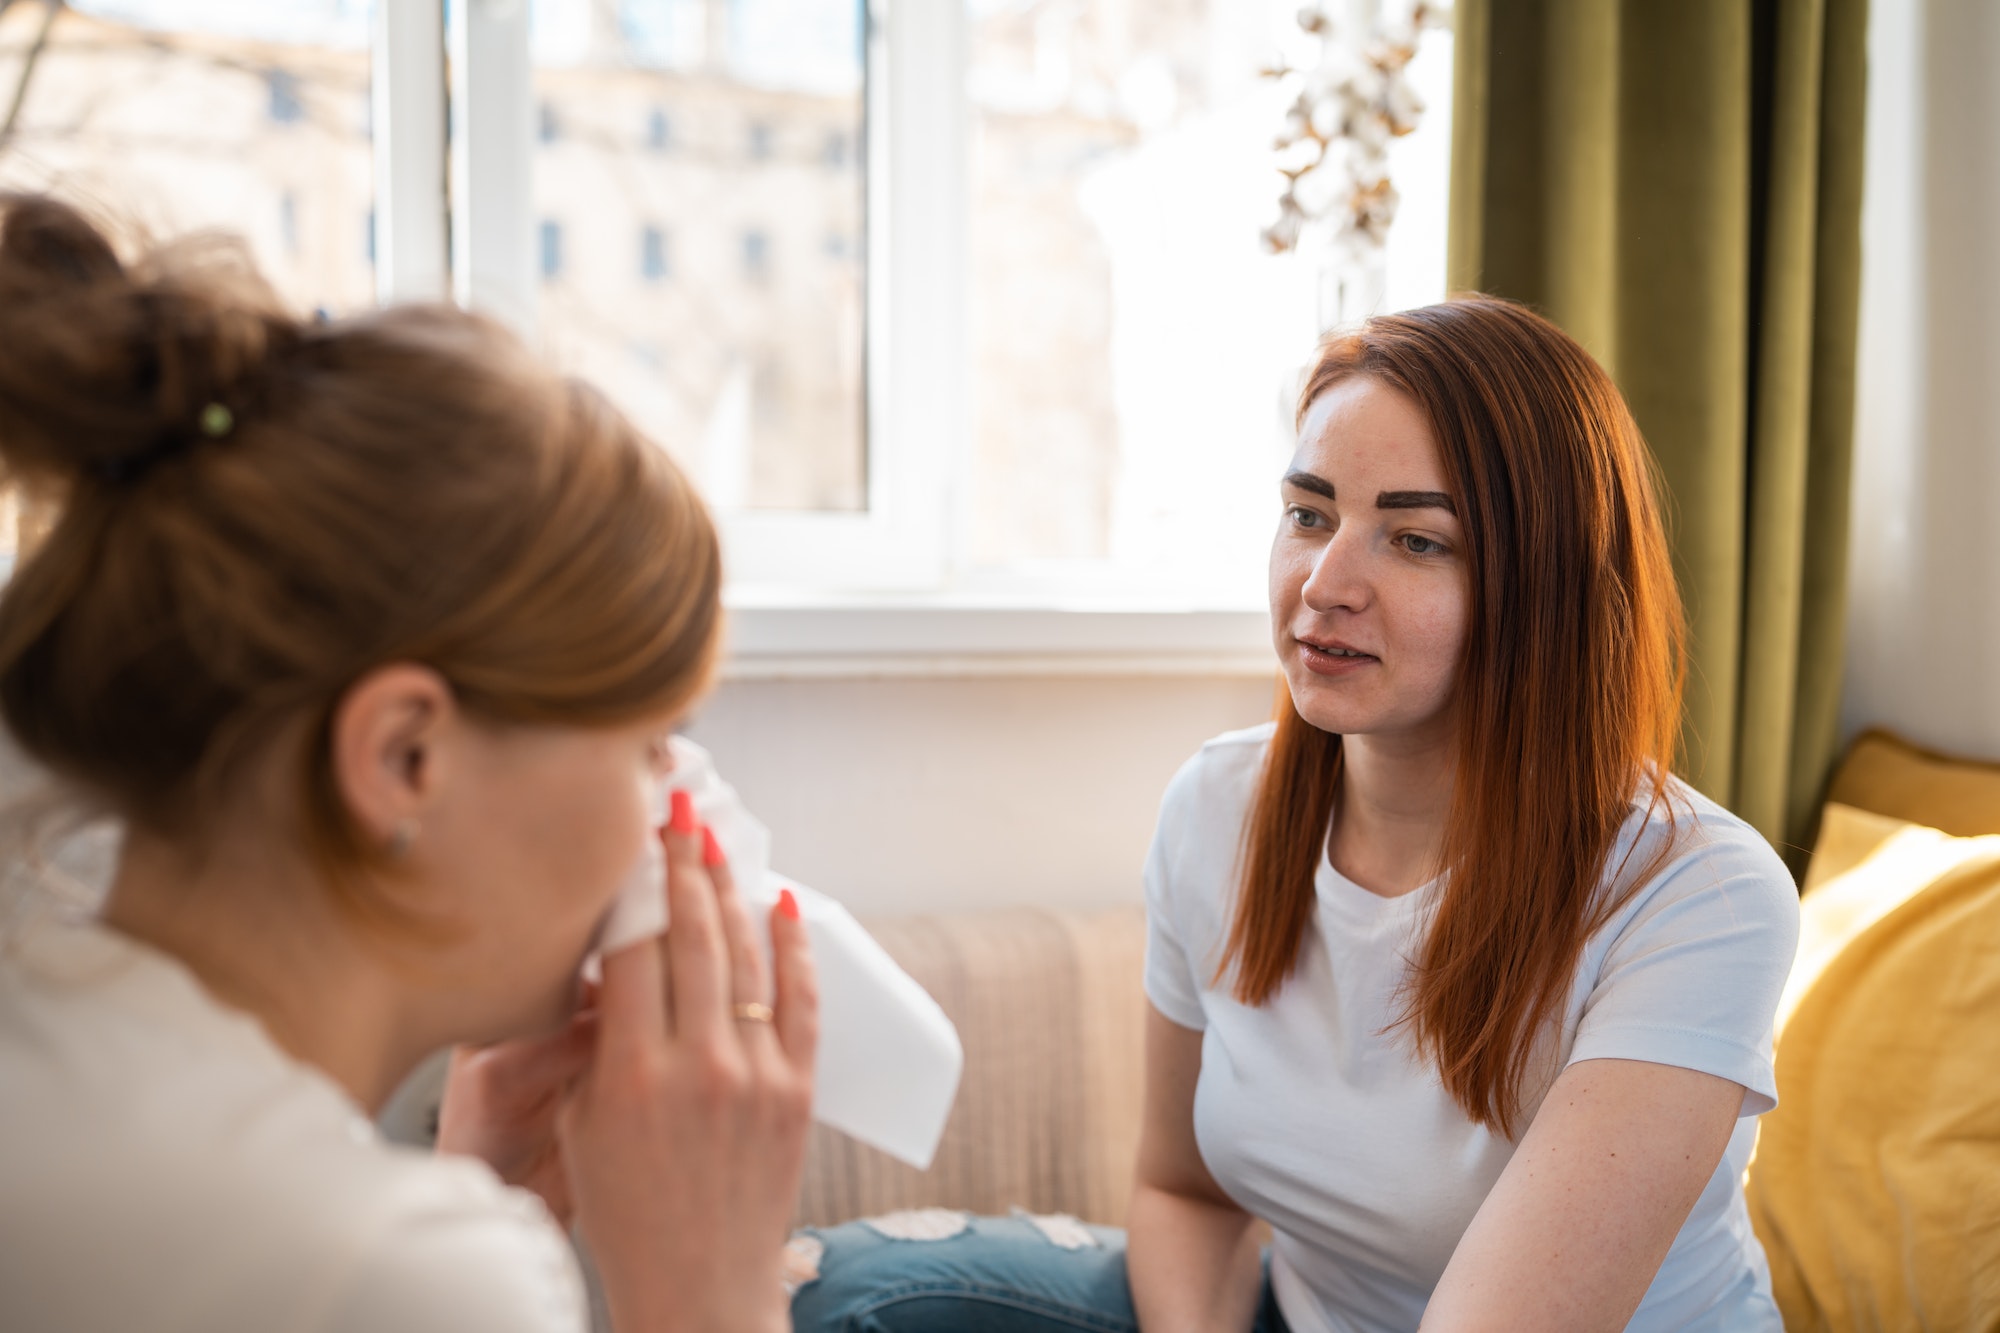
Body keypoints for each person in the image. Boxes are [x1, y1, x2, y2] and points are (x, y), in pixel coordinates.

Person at [790, 298, 1800, 1332]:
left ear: (1542, 590)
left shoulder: (1697, 895)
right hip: (1294, 1315)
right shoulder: (1216, 809)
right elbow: (1185, 1191)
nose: (1322, 583)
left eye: (1412, 540)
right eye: (1309, 515)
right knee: (832, 1293)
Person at [0, 193, 818, 1333]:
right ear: (403, 755)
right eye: (643, 747)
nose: (670, 808)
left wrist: (469, 1184)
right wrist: (711, 1288)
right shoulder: (382, 1268)